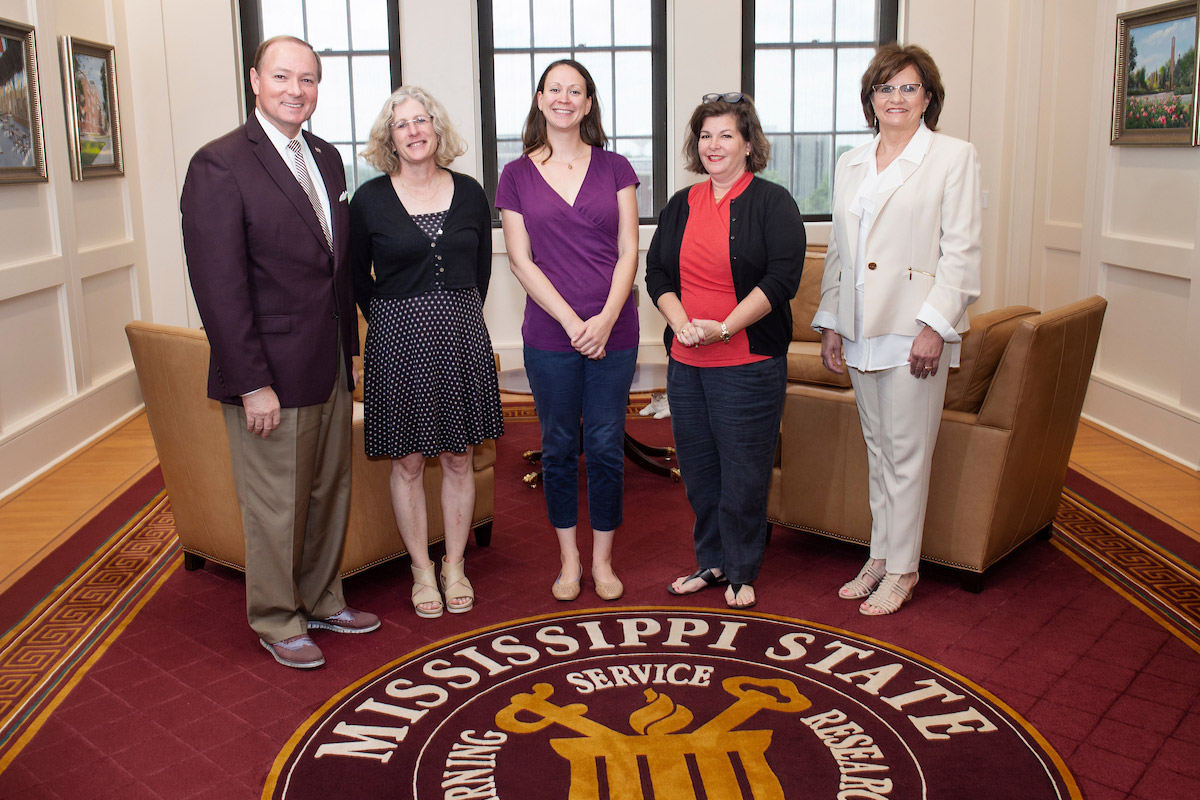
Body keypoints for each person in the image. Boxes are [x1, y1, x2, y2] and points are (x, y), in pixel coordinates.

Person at [180, 35, 378, 669]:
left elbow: (334, 269)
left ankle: (322, 599)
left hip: (328, 364)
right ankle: (276, 617)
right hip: (269, 374)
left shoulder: (327, 158)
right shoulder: (219, 164)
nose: (297, 90)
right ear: (254, 81)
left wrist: (349, 352)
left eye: (308, 79)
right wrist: (250, 382)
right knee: (275, 507)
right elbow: (219, 287)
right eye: (283, 77)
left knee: (328, 493)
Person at [814, 43, 982, 616]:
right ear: (871, 98)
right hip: (860, 329)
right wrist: (831, 321)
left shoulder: (952, 157)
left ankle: (905, 568)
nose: (896, 98)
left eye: (909, 87)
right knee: (879, 450)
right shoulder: (851, 162)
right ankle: (881, 555)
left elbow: (962, 253)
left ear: (928, 98)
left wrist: (935, 326)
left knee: (908, 453)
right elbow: (840, 251)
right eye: (886, 88)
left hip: (914, 331)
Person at [646, 93, 805, 610]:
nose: (713, 145)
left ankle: (741, 569)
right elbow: (657, 272)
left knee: (743, 473)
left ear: (748, 144)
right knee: (699, 471)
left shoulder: (773, 202)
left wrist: (725, 328)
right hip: (686, 364)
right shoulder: (681, 203)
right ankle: (711, 562)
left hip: (747, 364)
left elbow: (781, 279)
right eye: (705, 136)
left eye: (726, 135)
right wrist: (681, 324)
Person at [350, 87, 503, 618]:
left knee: (459, 457)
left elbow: (479, 272)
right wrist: (390, 320)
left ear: (437, 128)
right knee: (409, 460)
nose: (414, 131)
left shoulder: (471, 193)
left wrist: (456, 315)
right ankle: (421, 570)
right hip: (397, 341)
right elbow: (355, 277)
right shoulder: (368, 200)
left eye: (422, 120)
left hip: (461, 336)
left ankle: (454, 565)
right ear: (388, 137)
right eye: (402, 124)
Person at [496, 59, 640, 603]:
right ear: (540, 99)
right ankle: (569, 560)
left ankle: (602, 560)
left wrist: (604, 319)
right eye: (554, 89)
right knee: (557, 448)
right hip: (551, 334)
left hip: (614, 330)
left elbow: (629, 249)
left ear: (587, 103)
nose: (564, 98)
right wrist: (574, 322)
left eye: (574, 91)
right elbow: (520, 260)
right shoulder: (515, 175)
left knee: (604, 446)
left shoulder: (616, 167)